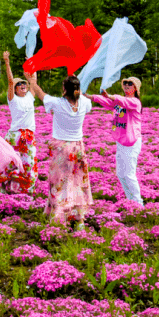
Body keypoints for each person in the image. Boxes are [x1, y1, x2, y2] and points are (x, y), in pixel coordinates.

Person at [27, 71, 93, 231]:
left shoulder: (57, 103)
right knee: (78, 181)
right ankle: (79, 219)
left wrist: (30, 79)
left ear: (64, 89)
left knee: (59, 182)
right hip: (78, 147)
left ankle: (59, 216)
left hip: (62, 147)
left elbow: (39, 92)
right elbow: (83, 99)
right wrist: (76, 82)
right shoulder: (84, 102)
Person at [91, 76, 144, 207]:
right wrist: (88, 96)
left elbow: (121, 101)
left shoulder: (135, 102)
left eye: (130, 84)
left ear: (135, 88)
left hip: (131, 142)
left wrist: (111, 96)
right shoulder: (120, 102)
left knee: (129, 174)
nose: (126, 85)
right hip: (121, 141)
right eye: (125, 83)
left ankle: (138, 203)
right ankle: (130, 201)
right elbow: (106, 102)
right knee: (121, 174)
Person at [0, 51, 38, 194]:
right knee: (9, 164)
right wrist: (7, 62)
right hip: (15, 135)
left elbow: (33, 81)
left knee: (29, 165)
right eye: (18, 84)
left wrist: (32, 64)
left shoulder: (30, 97)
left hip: (28, 136)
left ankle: (27, 193)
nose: (22, 85)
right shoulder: (12, 99)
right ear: (14, 88)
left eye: (23, 83)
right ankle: (5, 188)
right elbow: (9, 81)